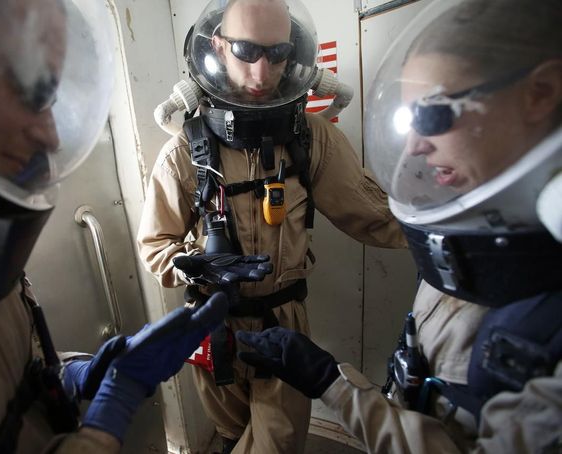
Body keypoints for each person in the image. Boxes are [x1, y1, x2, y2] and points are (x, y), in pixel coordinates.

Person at [0, 0, 272, 452]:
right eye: (29, 88)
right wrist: (114, 406)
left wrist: (73, 372)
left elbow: (1, 373)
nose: (49, 135)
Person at [236, 0, 562, 452]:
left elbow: (371, 214)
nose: (415, 148)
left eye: (431, 114)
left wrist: (333, 384)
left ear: (541, 93)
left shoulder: (311, 138)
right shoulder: (472, 240)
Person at [137, 0, 406, 452]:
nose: (263, 74)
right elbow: (155, 246)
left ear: (294, 53)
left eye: (277, 53)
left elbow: (373, 216)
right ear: (218, 48)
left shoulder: (311, 137)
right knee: (229, 435)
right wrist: (196, 265)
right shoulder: (185, 152)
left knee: (277, 442)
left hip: (284, 324)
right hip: (210, 326)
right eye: (245, 51)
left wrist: (454, 228)